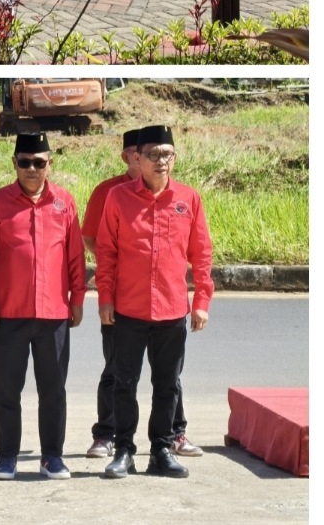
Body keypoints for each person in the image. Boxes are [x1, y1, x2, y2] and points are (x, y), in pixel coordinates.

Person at [96, 125, 214, 479]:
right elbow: (106, 252)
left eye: (167, 154)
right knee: (124, 383)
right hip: (128, 310)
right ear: (137, 158)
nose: (161, 162)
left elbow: (202, 254)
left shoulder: (188, 199)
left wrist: (202, 300)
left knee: (166, 384)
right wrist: (105, 299)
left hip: (172, 310)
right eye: (153, 155)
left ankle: (161, 449)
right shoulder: (118, 198)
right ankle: (124, 451)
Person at [0, 132, 85, 480]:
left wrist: (77, 300)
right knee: (7, 390)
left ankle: (52, 456)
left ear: (50, 163)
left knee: (53, 391)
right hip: (9, 314)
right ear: (14, 164)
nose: (32, 169)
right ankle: (7, 456)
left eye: (39, 162)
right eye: (25, 162)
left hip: (53, 316)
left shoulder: (64, 203)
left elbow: (76, 258)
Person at [80, 129, 139, 459]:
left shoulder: (173, 193)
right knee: (115, 367)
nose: (142, 159)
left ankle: (175, 433)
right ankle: (105, 433)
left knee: (167, 372)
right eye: (135, 152)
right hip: (116, 291)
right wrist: (109, 264)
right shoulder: (108, 191)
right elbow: (89, 236)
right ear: (126, 156)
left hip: (157, 298)